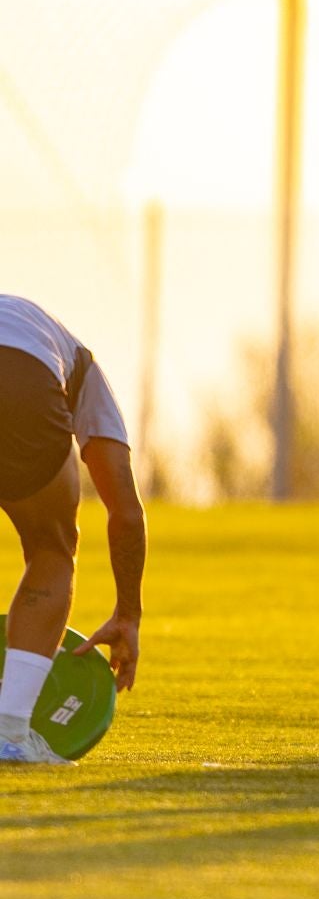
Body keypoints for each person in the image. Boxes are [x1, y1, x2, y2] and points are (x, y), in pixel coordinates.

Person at [0, 294, 146, 764]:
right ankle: (9, 733)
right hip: (22, 379)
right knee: (52, 547)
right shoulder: (85, 371)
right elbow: (125, 512)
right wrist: (127, 615)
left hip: (26, 369)